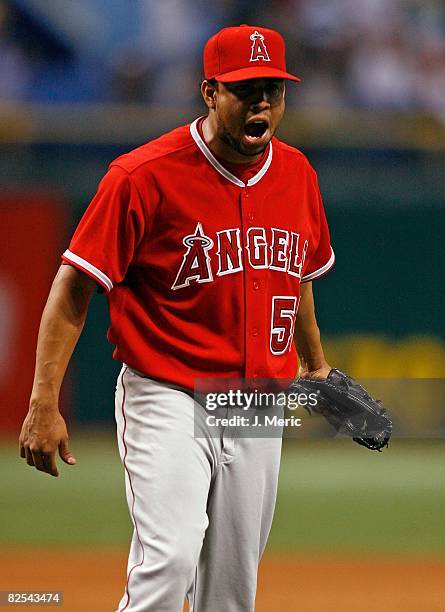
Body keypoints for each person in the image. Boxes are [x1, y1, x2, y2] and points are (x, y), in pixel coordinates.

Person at [19, 25, 335, 611]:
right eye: (246, 89)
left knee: (232, 591)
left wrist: (315, 364)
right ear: (209, 92)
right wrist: (44, 402)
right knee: (167, 561)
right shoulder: (142, 175)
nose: (263, 101)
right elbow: (73, 288)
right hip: (167, 391)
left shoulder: (297, 174)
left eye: (274, 88)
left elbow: (299, 274)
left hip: (255, 403)